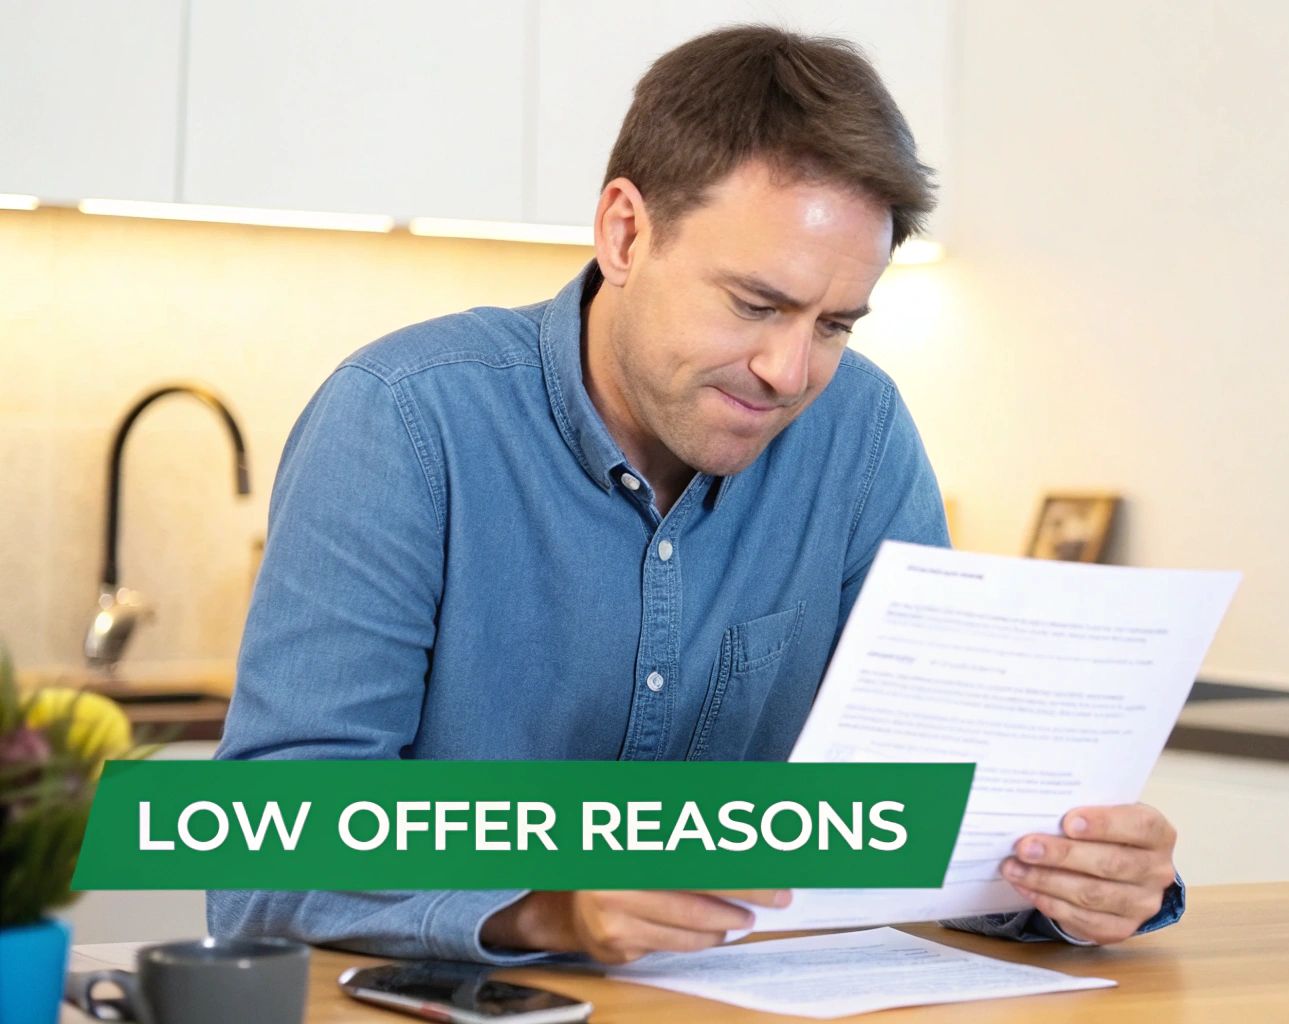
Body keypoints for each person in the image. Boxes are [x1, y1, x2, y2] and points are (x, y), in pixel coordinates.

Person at [209, 25, 1184, 966]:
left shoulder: (861, 431)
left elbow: (932, 825)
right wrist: (551, 908)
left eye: (835, 322)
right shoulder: (404, 421)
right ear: (625, 232)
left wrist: (1068, 881)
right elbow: (255, 853)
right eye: (754, 304)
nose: (789, 369)